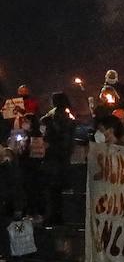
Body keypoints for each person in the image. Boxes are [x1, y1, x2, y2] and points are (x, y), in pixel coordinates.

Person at [38, 93, 76, 225]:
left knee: (51, 190)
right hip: (61, 159)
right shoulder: (66, 117)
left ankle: (53, 217)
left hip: (54, 158)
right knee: (56, 192)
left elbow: (57, 137)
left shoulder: (55, 118)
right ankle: (57, 217)